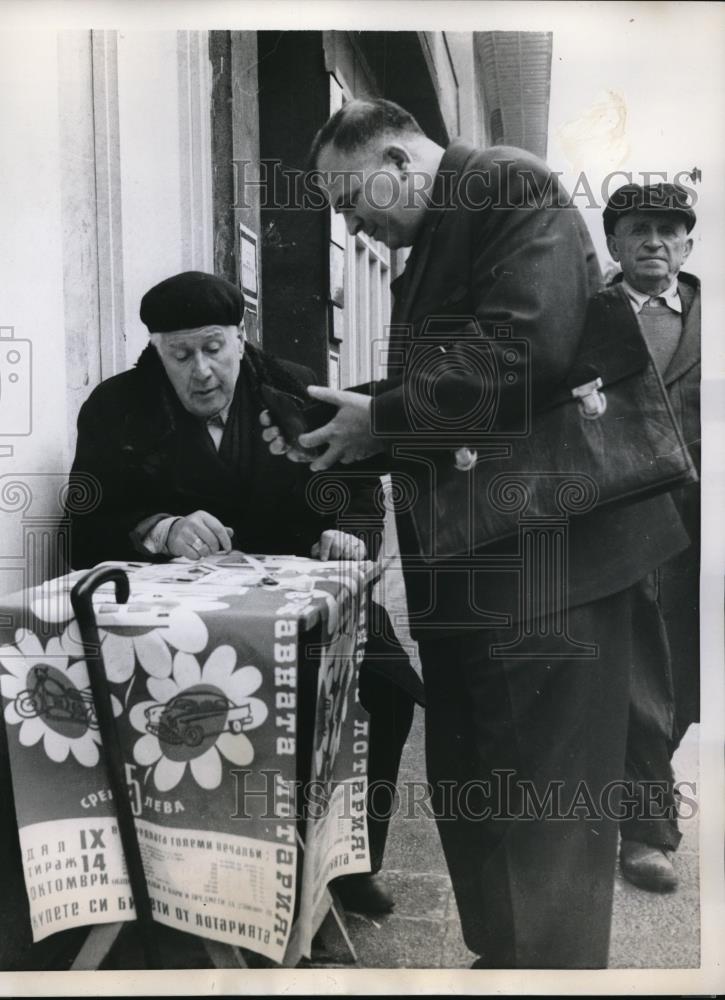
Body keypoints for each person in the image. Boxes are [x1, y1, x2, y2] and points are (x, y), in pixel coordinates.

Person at [262, 98, 692, 967]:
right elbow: (462, 391)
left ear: (394, 153)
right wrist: (340, 425)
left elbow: (520, 353)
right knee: (482, 785)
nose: (353, 225)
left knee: (542, 801)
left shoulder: (504, 183)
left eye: (351, 201)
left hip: (550, 568)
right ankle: (507, 961)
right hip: (488, 567)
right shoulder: (448, 226)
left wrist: (378, 418)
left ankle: (548, 974)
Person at [66, 270, 424, 916]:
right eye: (179, 355)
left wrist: (343, 535)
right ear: (156, 351)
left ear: (240, 338)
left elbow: (360, 488)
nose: (200, 371)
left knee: (386, 684)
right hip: (183, 620)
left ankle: (349, 862)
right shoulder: (116, 407)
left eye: (214, 349)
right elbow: (86, 519)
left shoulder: (293, 388)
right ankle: (199, 873)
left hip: (307, 599)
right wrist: (159, 528)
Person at [597, 183, 700, 892]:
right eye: (638, 229)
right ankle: (646, 828)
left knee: (688, 672)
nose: (654, 243)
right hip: (617, 517)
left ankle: (645, 791)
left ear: (688, 244)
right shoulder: (583, 316)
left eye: (668, 230)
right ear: (613, 243)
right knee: (635, 668)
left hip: (703, 523)